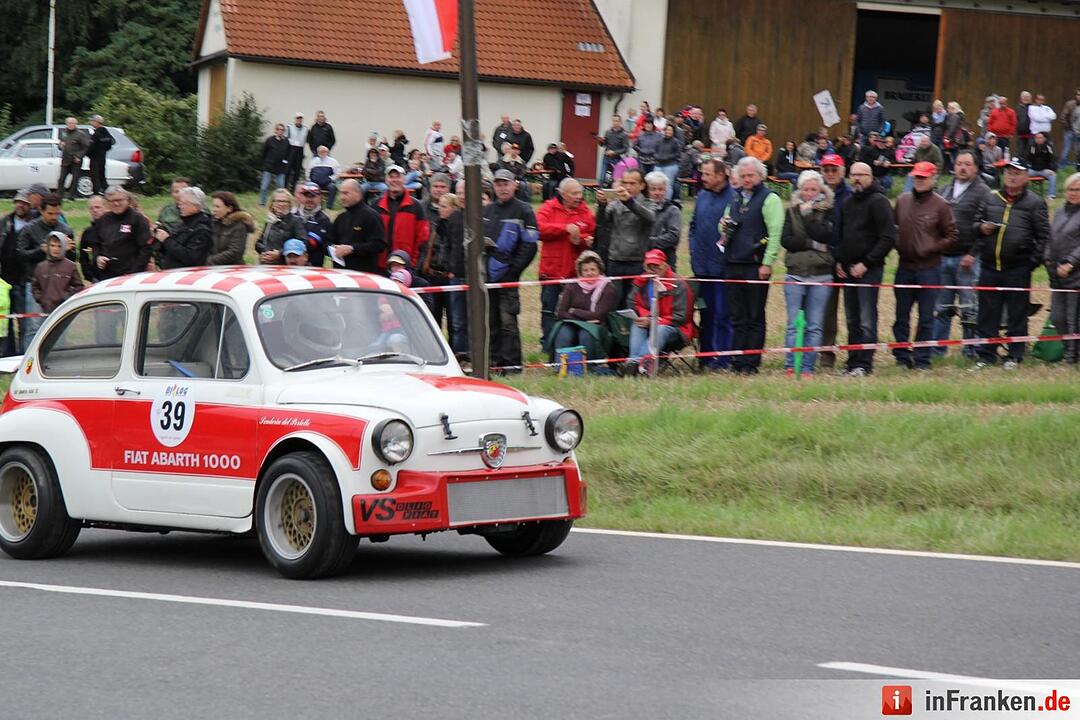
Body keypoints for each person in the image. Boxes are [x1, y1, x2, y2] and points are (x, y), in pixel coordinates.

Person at [968, 157, 1049, 368]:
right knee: (987, 314)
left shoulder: (1035, 202)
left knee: (1017, 314)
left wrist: (1031, 263)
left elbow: (1044, 238)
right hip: (989, 266)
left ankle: (1014, 355)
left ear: (1026, 177)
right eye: (1009, 172)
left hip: (1018, 268)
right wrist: (981, 228)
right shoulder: (991, 198)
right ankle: (986, 355)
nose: (1011, 176)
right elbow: (975, 225)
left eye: (1016, 173)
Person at [892, 161, 957, 371]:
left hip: (930, 268)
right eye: (916, 177)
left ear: (933, 179)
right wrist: (897, 243)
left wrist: (932, 247)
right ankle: (902, 356)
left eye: (923, 177)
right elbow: (893, 227)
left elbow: (952, 235)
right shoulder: (902, 200)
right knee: (901, 315)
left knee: (927, 316)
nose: (919, 181)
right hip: (904, 267)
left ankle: (922, 358)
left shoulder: (941, 205)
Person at [833, 162, 896, 376]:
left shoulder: (879, 201)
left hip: (869, 270)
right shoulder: (848, 202)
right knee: (852, 319)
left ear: (870, 177)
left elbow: (888, 238)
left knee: (867, 319)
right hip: (848, 270)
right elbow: (841, 236)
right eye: (854, 175)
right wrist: (840, 261)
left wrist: (866, 263)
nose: (857, 179)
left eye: (862, 175)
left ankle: (865, 364)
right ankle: (852, 362)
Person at [722, 157, 783, 375]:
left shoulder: (770, 199)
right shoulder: (735, 199)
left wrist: (767, 263)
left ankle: (751, 362)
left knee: (754, 315)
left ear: (760, 176)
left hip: (755, 265)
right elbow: (725, 223)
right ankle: (737, 360)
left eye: (751, 175)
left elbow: (775, 233)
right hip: (733, 263)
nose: (747, 179)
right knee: (737, 315)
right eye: (743, 175)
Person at [935, 149, 991, 358]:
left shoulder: (983, 192)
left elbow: (986, 227)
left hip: (968, 259)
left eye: (967, 164)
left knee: (970, 307)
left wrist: (973, 253)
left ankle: (971, 349)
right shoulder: (944, 190)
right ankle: (937, 349)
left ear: (975, 168)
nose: (962, 167)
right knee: (941, 307)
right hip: (943, 257)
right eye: (959, 163)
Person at [484, 169, 539, 373]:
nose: (502, 187)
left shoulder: (524, 210)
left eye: (506, 183)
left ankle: (513, 364)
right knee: (491, 321)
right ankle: (494, 361)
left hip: (508, 276)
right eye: (498, 184)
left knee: (508, 322)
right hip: (488, 276)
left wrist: (513, 271)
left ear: (514, 185)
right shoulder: (487, 211)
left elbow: (530, 245)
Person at [781, 170, 834, 375]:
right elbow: (787, 241)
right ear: (800, 190)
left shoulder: (829, 210)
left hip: (821, 273)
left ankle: (807, 367)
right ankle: (789, 365)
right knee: (793, 323)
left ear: (820, 190)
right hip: (795, 272)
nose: (810, 193)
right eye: (806, 189)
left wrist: (809, 216)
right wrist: (812, 244)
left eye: (814, 189)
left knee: (814, 324)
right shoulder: (791, 211)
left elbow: (826, 235)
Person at [690, 159, 736, 371]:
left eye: (707, 174)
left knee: (722, 314)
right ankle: (705, 356)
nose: (703, 178)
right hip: (702, 267)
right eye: (702, 174)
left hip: (722, 268)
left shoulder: (733, 198)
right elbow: (693, 226)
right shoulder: (701, 196)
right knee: (706, 314)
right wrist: (693, 252)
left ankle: (723, 358)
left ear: (720, 175)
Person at [536, 178, 596, 341]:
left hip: (574, 271)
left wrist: (582, 240)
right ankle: (548, 342)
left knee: (573, 308)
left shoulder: (585, 211)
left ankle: (569, 341)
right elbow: (539, 229)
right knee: (549, 308)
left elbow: (591, 232)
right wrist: (564, 229)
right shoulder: (549, 207)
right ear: (562, 194)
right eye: (574, 193)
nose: (579, 196)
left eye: (580, 192)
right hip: (551, 270)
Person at [623, 249, 694, 375]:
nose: (653, 269)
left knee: (660, 329)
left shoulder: (678, 284)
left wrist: (653, 321)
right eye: (650, 266)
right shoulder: (641, 282)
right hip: (649, 321)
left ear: (665, 265)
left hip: (676, 329)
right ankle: (633, 363)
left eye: (657, 266)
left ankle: (643, 363)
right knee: (637, 324)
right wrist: (645, 317)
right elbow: (632, 303)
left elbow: (681, 317)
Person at [17, 194, 75, 347]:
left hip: (60, 284)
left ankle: (57, 357)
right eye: (50, 213)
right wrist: (39, 251)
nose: (54, 217)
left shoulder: (65, 229)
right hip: (36, 283)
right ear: (41, 210)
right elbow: (21, 254)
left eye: (57, 213)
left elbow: (73, 260)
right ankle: (29, 361)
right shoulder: (29, 229)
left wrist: (69, 250)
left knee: (58, 323)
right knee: (34, 325)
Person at [546, 250, 618, 373]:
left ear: (599, 270)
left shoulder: (608, 288)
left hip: (597, 326)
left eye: (593, 269)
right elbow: (561, 312)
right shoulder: (572, 286)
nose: (589, 273)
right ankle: (560, 367)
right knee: (563, 331)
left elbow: (598, 316)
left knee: (586, 333)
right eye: (586, 270)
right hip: (573, 322)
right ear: (580, 272)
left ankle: (587, 368)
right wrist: (581, 319)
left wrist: (574, 310)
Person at [595, 168, 655, 308]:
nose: (627, 187)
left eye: (632, 183)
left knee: (634, 304)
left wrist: (629, 202)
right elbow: (602, 222)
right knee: (613, 303)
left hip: (637, 262)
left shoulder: (648, 203)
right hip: (615, 260)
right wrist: (602, 205)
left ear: (642, 185)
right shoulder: (615, 202)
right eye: (624, 182)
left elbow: (650, 217)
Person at [816, 154, 851, 370]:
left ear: (842, 171)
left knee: (853, 311)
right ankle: (826, 355)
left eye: (834, 169)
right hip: (822, 260)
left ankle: (857, 356)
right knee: (826, 311)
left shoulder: (850, 195)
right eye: (826, 170)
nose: (830, 174)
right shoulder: (816, 195)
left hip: (846, 259)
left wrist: (842, 257)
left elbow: (853, 231)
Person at [1044, 172, 1080, 363]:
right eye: (1070, 189)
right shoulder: (1059, 212)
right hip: (1057, 275)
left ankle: (1072, 357)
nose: (1073, 193)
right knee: (1058, 318)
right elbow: (1051, 237)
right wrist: (1047, 257)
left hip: (1076, 275)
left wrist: (1071, 262)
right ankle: (1068, 350)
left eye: (1077, 190)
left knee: (1074, 318)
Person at [1, 190, 37, 352]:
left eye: (24, 203)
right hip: (5, 280)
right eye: (18, 202)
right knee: (5, 322)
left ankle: (24, 353)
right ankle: (8, 353)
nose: (20, 205)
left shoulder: (34, 224)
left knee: (25, 322)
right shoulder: (5, 222)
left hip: (25, 280)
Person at [374, 165, 429, 270]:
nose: (394, 180)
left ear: (404, 179)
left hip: (405, 267)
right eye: (391, 177)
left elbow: (422, 239)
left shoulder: (416, 206)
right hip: (381, 267)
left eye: (397, 177)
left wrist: (413, 264)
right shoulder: (377, 205)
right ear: (386, 180)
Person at [326, 179, 387, 273]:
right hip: (341, 274)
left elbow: (379, 245)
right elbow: (329, 240)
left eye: (346, 193)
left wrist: (352, 249)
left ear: (358, 194)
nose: (342, 197)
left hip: (364, 275)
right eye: (340, 193)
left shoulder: (371, 216)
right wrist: (333, 249)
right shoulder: (341, 218)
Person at [93, 187, 152, 281]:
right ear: (107, 203)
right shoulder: (102, 220)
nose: (116, 203)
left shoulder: (138, 219)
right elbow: (96, 244)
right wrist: (98, 257)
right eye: (112, 201)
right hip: (107, 274)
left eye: (119, 200)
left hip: (131, 274)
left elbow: (146, 249)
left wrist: (135, 272)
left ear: (127, 200)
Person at [153, 187, 213, 270]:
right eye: (179, 203)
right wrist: (160, 238)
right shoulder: (183, 223)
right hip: (172, 272)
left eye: (183, 203)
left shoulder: (202, 229)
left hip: (187, 276)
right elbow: (172, 249)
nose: (179, 206)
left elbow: (192, 258)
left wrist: (167, 240)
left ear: (195, 206)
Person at [32, 231, 84, 315]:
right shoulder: (41, 267)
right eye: (52, 245)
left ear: (63, 247)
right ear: (48, 246)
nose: (55, 249)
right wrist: (41, 298)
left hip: (64, 309)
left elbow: (79, 286)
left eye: (59, 246)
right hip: (45, 309)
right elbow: (35, 286)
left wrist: (66, 297)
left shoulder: (70, 266)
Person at [256, 189, 306, 265]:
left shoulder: (296, 221)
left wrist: (281, 253)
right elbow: (259, 242)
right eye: (278, 201)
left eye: (284, 201)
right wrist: (265, 252)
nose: (281, 204)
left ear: (290, 204)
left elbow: (303, 242)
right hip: (266, 263)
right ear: (272, 204)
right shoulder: (270, 222)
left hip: (285, 264)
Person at [644, 172, 681, 269]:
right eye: (653, 189)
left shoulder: (673, 210)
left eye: (661, 189)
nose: (657, 193)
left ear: (666, 190)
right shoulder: (640, 208)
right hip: (642, 259)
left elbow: (674, 236)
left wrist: (649, 242)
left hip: (665, 260)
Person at [208, 191, 254, 266]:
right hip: (214, 268)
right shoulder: (213, 222)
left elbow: (235, 252)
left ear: (229, 208)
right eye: (213, 206)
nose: (214, 209)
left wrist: (209, 261)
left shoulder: (239, 226)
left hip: (232, 269)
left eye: (217, 206)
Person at [293, 182, 332, 267]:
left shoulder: (323, 219)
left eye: (313, 196)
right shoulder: (292, 214)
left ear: (319, 198)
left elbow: (311, 243)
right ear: (301, 196)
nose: (309, 199)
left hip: (313, 267)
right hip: (290, 264)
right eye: (307, 196)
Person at [56, 117, 90, 200]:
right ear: (66, 124)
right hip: (65, 159)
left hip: (76, 160)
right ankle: (59, 195)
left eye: (73, 123)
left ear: (76, 124)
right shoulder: (63, 132)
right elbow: (60, 144)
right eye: (69, 123)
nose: (71, 125)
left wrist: (79, 156)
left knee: (75, 178)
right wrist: (60, 146)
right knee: (61, 178)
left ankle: (72, 195)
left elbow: (86, 147)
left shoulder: (80, 134)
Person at [259, 124, 290, 206]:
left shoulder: (286, 141)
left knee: (280, 188)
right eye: (278, 129)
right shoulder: (269, 140)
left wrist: (285, 161)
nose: (280, 131)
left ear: (284, 131)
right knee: (264, 187)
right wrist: (265, 163)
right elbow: (264, 152)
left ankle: (279, 203)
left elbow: (288, 153)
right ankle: (262, 203)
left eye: (282, 130)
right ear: (275, 130)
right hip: (269, 166)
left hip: (280, 168)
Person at [599, 115, 630, 186]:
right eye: (613, 121)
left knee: (615, 180)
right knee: (602, 178)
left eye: (617, 121)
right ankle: (600, 193)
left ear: (620, 122)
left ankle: (613, 195)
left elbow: (626, 149)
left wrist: (614, 152)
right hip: (606, 158)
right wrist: (601, 141)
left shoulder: (624, 134)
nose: (615, 122)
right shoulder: (608, 132)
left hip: (616, 159)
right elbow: (604, 144)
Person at [87, 115, 114, 195]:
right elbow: (110, 143)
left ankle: (97, 193)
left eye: (92, 121)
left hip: (95, 158)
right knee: (102, 176)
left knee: (95, 176)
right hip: (102, 157)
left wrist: (88, 154)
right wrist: (103, 151)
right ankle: (107, 191)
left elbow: (92, 146)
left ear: (97, 122)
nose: (91, 123)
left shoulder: (97, 133)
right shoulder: (106, 133)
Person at [1026, 132, 1058, 199]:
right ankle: (1024, 194)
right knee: (1021, 174)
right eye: (1036, 138)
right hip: (1033, 170)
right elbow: (1027, 159)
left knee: (1052, 176)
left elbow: (1053, 159)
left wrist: (1053, 170)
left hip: (1044, 170)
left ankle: (1051, 195)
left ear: (1044, 139)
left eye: (1040, 138)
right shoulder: (1032, 147)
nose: (1038, 139)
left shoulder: (1048, 147)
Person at [285, 112, 308, 189]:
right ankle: (285, 187)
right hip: (291, 149)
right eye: (298, 118)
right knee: (288, 170)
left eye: (300, 118)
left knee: (297, 171)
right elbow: (285, 140)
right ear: (295, 119)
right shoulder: (289, 127)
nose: (299, 120)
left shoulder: (305, 129)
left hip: (300, 149)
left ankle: (294, 188)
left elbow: (308, 140)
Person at [1060, 89, 1080, 167]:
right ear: (1076, 96)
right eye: (1078, 95)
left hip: (1079, 132)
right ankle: (1061, 167)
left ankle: (1077, 167)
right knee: (1066, 150)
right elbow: (1063, 117)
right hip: (1070, 131)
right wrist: (1069, 127)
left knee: (1078, 151)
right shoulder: (1070, 104)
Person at [1015, 91, 1033, 158]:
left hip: (1031, 134)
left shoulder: (1033, 108)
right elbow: (1015, 120)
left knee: (1029, 152)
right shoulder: (1018, 108)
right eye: (1024, 97)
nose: (1026, 98)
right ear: (1021, 98)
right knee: (1020, 152)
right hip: (1021, 135)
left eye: (1028, 97)